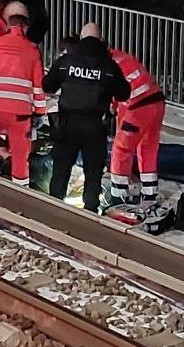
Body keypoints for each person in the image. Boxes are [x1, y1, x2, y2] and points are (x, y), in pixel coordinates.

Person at [42, 23, 130, 212]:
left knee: (61, 167)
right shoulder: (109, 66)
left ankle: (54, 208)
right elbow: (124, 93)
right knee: (93, 171)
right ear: (102, 41)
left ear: (81, 39)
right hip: (95, 125)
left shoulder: (67, 61)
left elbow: (48, 85)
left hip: (67, 124)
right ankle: (90, 211)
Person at [0, 2, 46, 187]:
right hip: (20, 114)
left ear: (8, 24)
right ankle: (20, 190)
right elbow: (38, 87)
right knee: (20, 154)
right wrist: (40, 112)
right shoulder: (33, 50)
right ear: (25, 27)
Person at [109, 47, 165, 203]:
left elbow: (114, 96)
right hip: (157, 102)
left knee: (121, 149)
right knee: (147, 148)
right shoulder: (121, 57)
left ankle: (118, 196)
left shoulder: (104, 64)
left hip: (138, 108)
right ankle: (150, 193)